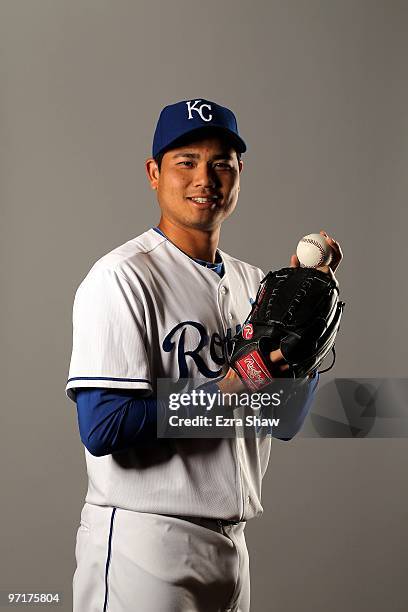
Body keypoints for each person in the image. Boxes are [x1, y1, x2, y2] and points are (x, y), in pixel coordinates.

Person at [66, 98, 342, 612]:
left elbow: (283, 422)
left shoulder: (255, 284)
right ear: (154, 173)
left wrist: (302, 352)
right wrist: (233, 384)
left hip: (233, 549)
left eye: (221, 163)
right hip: (144, 546)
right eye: (186, 161)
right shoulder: (122, 277)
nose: (205, 178)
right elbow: (103, 425)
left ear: (239, 174)